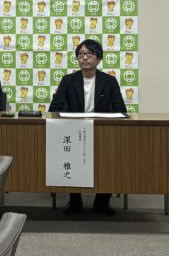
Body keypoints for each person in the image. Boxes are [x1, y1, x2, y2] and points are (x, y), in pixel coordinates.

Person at [50, 38, 126, 215]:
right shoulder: (68, 80)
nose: (84, 58)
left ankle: (102, 201)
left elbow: (120, 109)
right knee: (70, 156)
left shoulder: (109, 81)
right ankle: (75, 200)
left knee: (109, 158)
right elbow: (55, 108)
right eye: (81, 54)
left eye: (89, 54)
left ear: (99, 58)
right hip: (73, 131)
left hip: (103, 132)